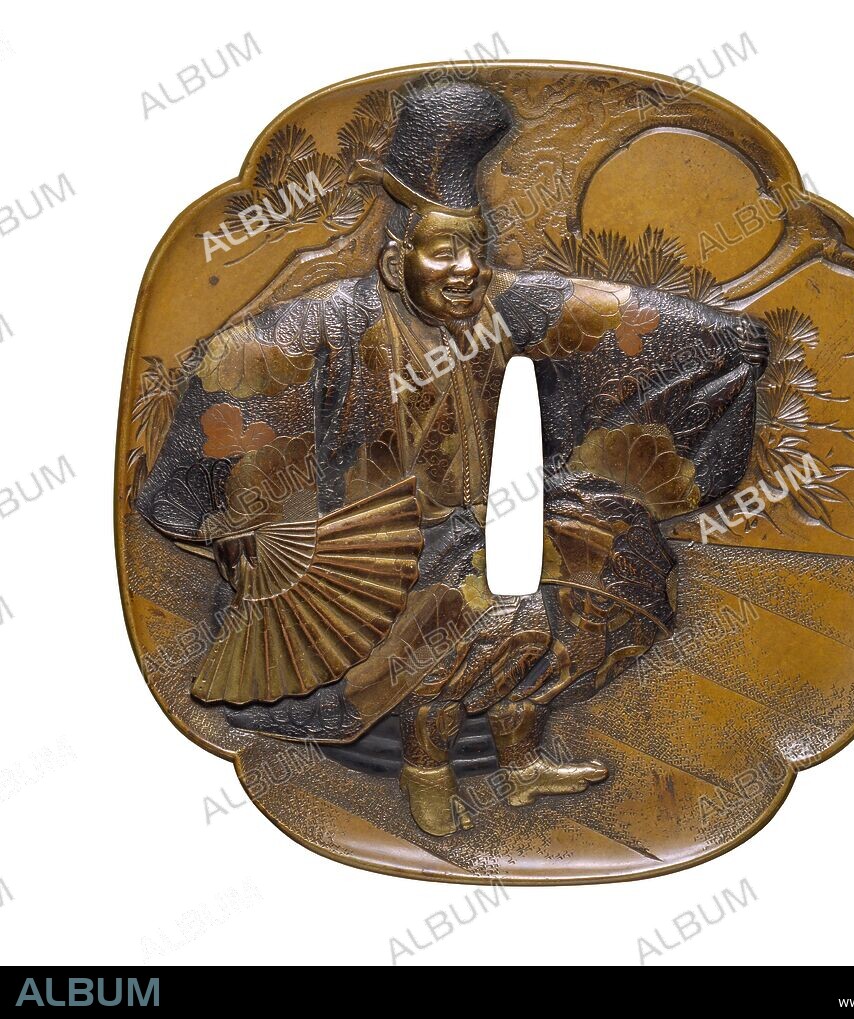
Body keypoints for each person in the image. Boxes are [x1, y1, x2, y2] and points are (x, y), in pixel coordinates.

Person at [136, 80, 768, 836]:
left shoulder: (494, 304)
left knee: (620, 571)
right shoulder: (322, 328)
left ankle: (520, 757)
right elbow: (230, 384)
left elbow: (605, 310)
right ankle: (425, 771)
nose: (468, 268)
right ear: (393, 261)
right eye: (444, 251)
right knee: (499, 616)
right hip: (370, 551)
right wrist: (249, 532)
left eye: (478, 249)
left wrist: (726, 342)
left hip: (479, 521)